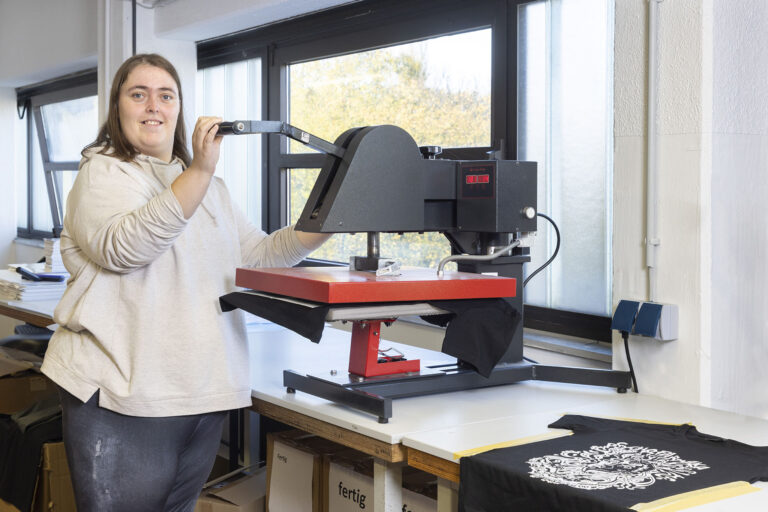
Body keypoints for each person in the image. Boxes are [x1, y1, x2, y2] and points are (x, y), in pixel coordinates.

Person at [40, 53, 330, 512]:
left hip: (199, 388)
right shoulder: (103, 172)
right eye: (138, 94)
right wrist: (200, 170)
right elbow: (124, 248)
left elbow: (258, 256)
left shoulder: (210, 188)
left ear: (178, 108)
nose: (153, 106)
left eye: (166, 96)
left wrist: (332, 217)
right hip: (123, 393)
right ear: (117, 107)